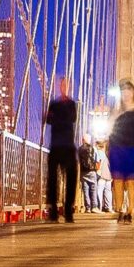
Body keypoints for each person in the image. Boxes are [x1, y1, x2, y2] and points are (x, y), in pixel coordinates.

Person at [105, 81, 134, 224]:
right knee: (117, 180)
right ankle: (120, 209)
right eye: (123, 91)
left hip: (133, 149)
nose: (125, 93)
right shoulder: (115, 112)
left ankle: (129, 211)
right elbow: (109, 130)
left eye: (128, 90)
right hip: (117, 149)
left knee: (131, 182)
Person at [41, 75, 80, 223]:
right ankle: (53, 212)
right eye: (62, 84)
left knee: (71, 178)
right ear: (59, 86)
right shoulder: (54, 104)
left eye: (66, 84)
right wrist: (56, 117)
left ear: (69, 87)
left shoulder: (71, 104)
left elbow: (71, 118)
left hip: (68, 145)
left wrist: (56, 117)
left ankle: (68, 210)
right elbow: (48, 120)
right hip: (56, 145)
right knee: (52, 179)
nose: (64, 87)